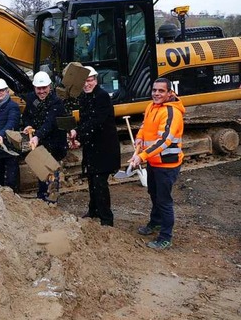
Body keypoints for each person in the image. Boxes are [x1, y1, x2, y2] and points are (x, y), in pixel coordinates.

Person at [130, 78, 184, 250]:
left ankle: (165, 237)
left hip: (167, 164)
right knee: (153, 193)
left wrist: (142, 156)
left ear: (169, 93)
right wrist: (139, 138)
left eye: (161, 91)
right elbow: (145, 126)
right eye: (154, 90)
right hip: (154, 162)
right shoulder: (151, 106)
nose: (156, 94)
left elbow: (164, 141)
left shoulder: (171, 112)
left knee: (164, 200)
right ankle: (156, 222)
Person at [68, 67, 120, 226]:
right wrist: (80, 139)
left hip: (104, 147)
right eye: (84, 80)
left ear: (96, 80)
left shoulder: (102, 97)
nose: (87, 84)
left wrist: (78, 133)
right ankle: (94, 210)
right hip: (92, 146)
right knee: (92, 179)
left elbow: (97, 122)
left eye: (90, 80)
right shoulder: (84, 98)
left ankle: (106, 219)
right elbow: (85, 122)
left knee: (100, 183)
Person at [21, 71, 68, 202]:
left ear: (49, 87)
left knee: (52, 172)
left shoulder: (57, 102)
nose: (41, 91)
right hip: (40, 144)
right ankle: (42, 198)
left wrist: (37, 136)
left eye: (44, 88)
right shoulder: (32, 99)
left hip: (54, 143)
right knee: (41, 172)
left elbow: (50, 123)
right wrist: (27, 126)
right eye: (38, 88)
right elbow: (26, 116)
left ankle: (52, 201)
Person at [0, 78, 21, 191]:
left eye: (1, 90)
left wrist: (1, 134)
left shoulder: (13, 106)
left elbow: (11, 122)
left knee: (12, 179)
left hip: (10, 147)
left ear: (7, 91)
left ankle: (14, 198)